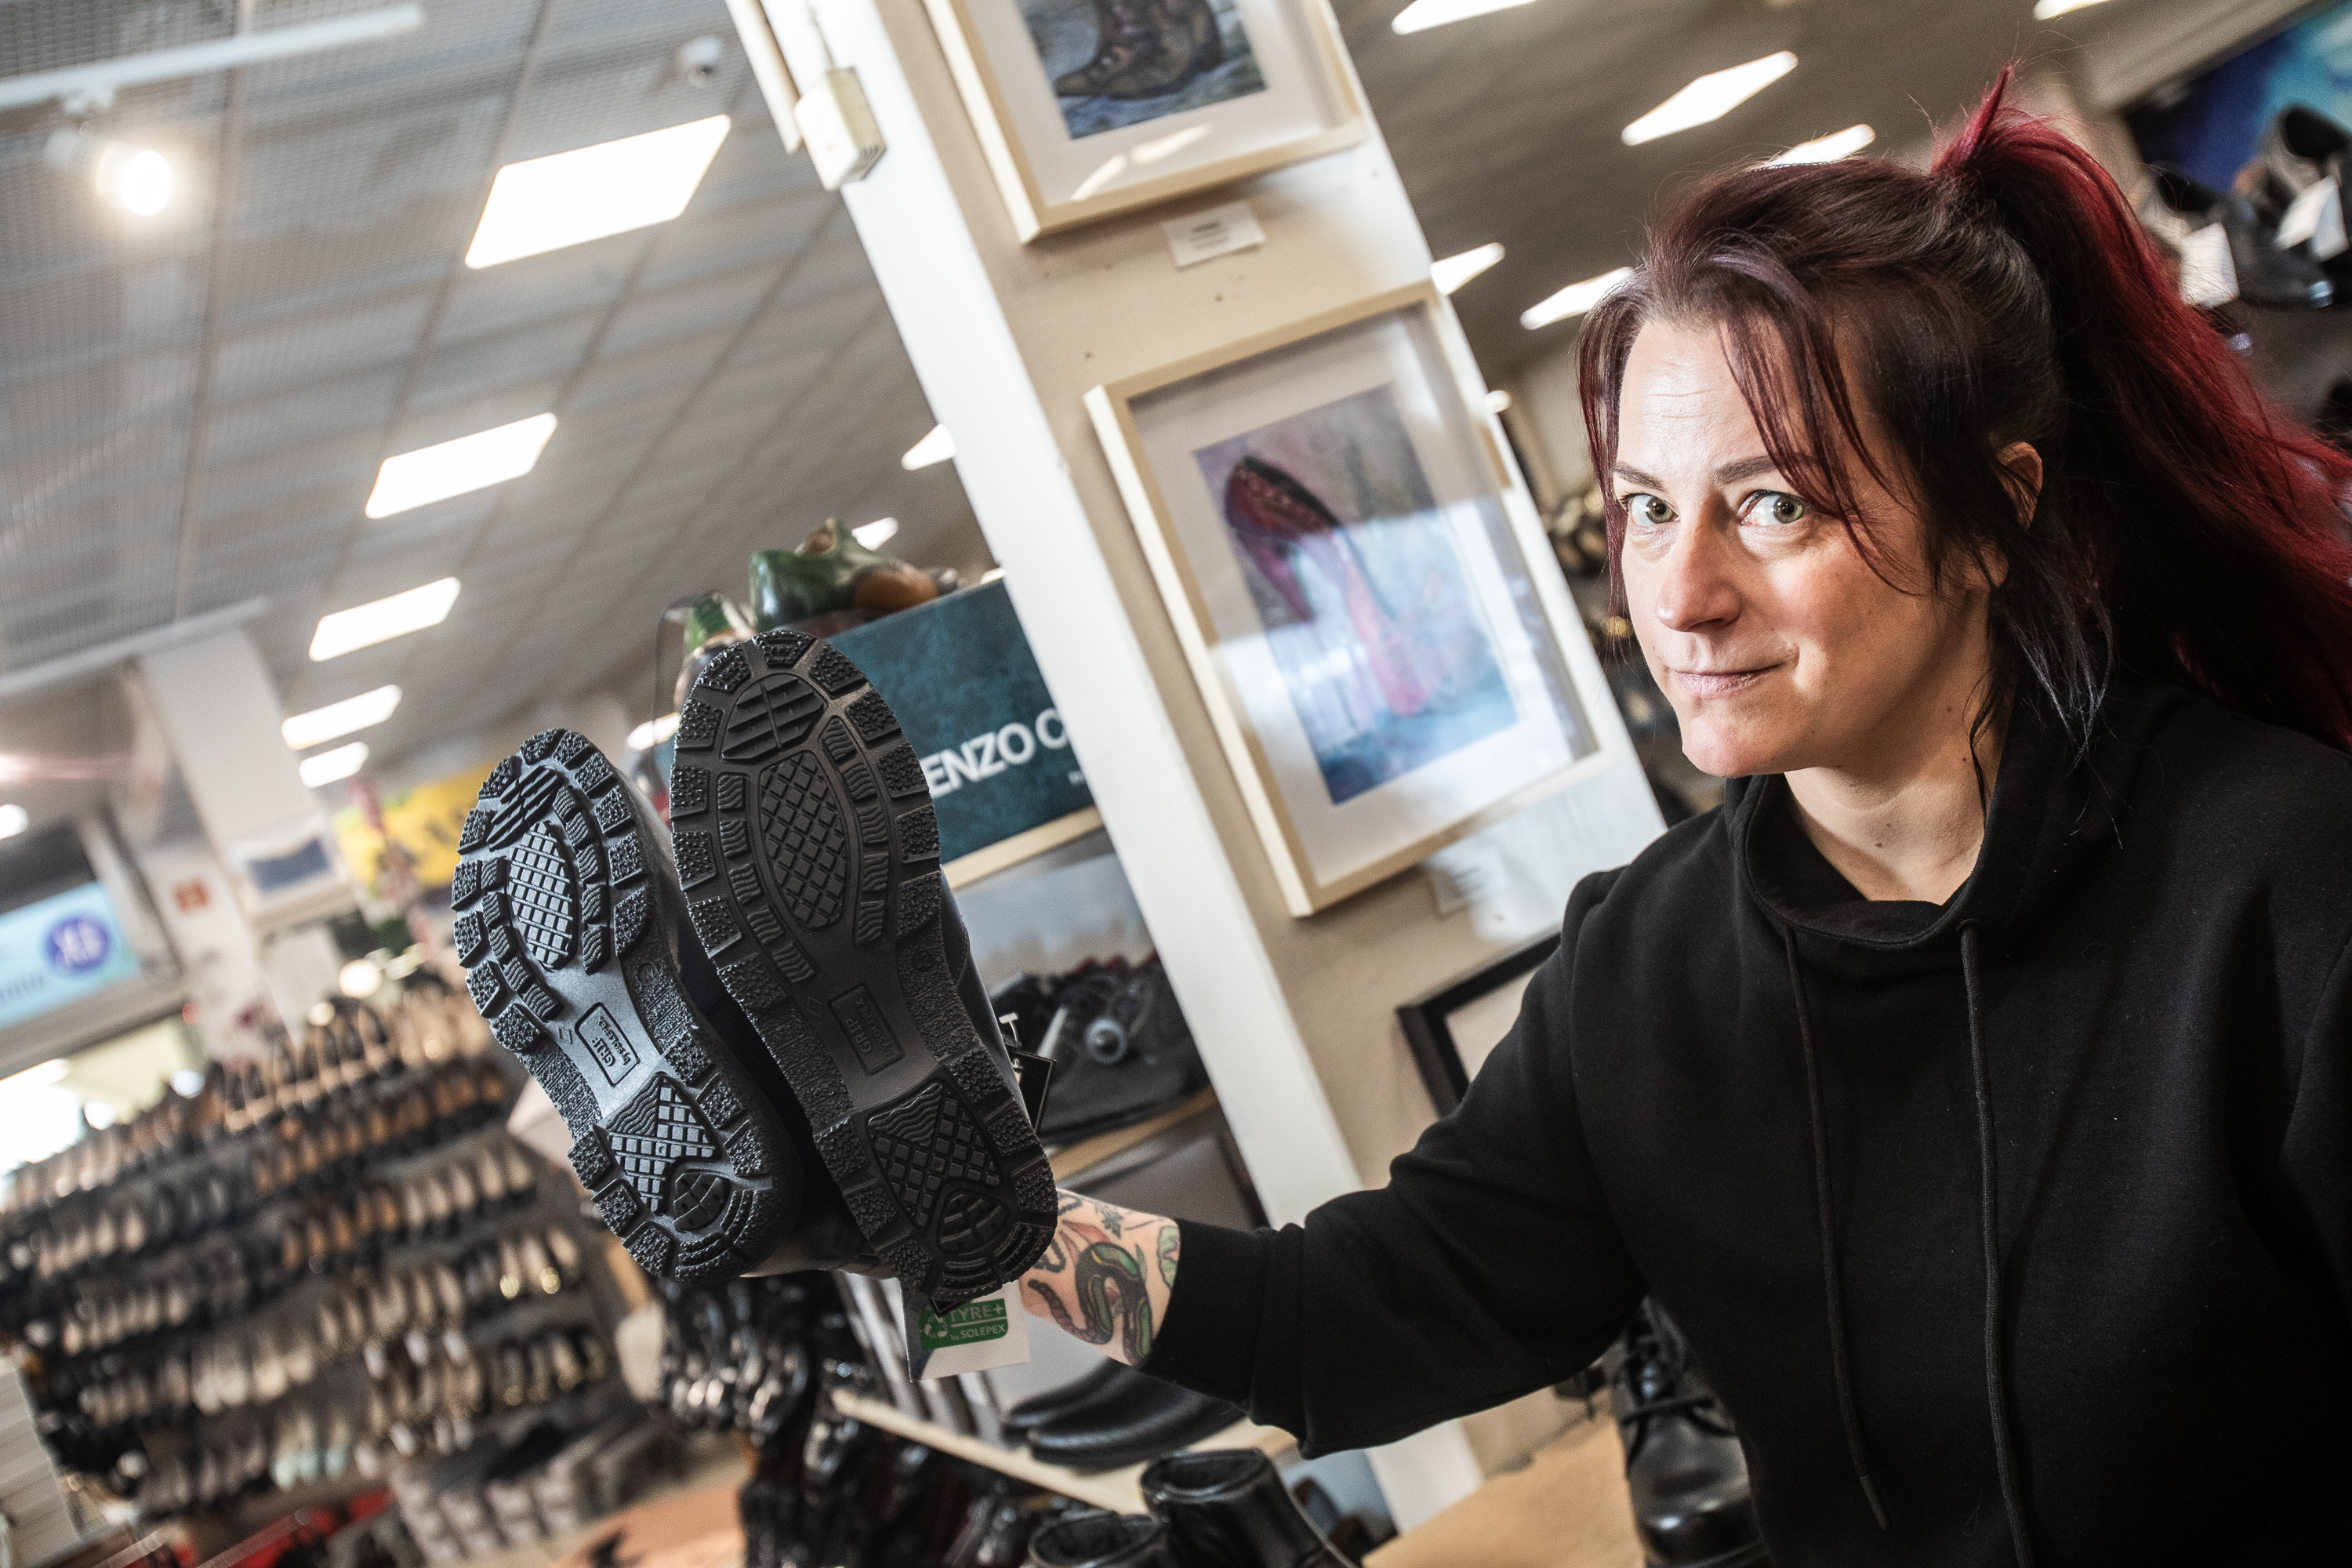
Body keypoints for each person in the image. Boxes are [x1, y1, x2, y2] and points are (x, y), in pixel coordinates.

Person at [1018, 74, 2352, 1566]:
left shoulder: (2290, 883)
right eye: (1649, 508)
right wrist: (984, 1228)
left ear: (1993, 514)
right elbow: (1341, 1322)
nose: (1680, 596)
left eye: (1775, 504)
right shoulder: (1648, 968)